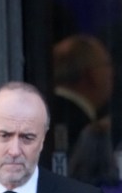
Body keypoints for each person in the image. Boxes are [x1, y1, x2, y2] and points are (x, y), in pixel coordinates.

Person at [44, 34, 114, 170]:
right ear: (92, 73)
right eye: (107, 65)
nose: (112, 74)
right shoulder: (80, 123)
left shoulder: (46, 110)